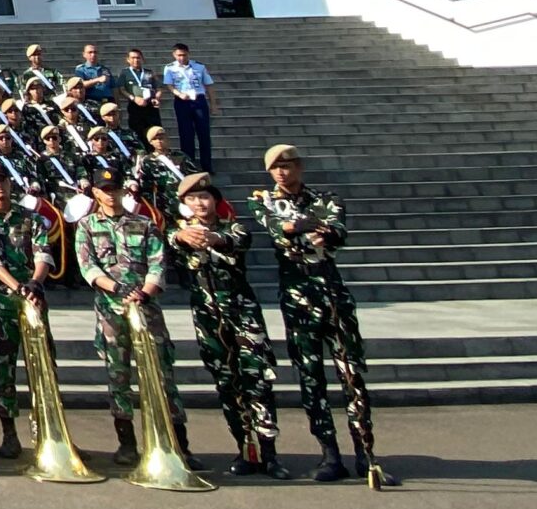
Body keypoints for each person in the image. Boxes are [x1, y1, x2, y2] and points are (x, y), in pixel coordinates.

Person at [254, 144, 394, 485]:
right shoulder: (263, 200)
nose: (283, 172)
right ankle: (329, 454)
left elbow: (338, 232)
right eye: (276, 168)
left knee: (352, 377)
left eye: (288, 165)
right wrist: (314, 227)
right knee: (311, 379)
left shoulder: (326, 197)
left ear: (300, 166)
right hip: (298, 299)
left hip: (333, 297)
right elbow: (278, 229)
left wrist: (312, 227)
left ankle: (366, 454)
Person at [167, 171, 288, 477]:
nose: (200, 203)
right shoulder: (180, 232)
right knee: (227, 383)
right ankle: (245, 448)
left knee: (257, 382)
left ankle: (270, 453)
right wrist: (182, 236)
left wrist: (215, 239)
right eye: (192, 199)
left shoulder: (232, 227)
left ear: (216, 201)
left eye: (205, 197)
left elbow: (237, 240)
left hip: (241, 313)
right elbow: (173, 242)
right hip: (209, 318)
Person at [71, 166, 185, 468]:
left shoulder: (144, 224)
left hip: (146, 307)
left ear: (123, 190)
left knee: (163, 374)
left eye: (114, 188)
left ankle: (177, 443)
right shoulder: (86, 226)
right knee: (118, 376)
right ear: (95, 192)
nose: (110, 194)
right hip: (111, 310)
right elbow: (88, 267)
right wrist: (119, 289)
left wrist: (144, 293)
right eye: (104, 190)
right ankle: (127, 442)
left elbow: (158, 262)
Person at [0, 164, 53, 462]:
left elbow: (43, 253)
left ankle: (50, 433)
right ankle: (10, 433)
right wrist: (18, 287)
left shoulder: (31, 218)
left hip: (33, 300)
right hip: (1, 303)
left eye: (2, 180)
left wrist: (33, 283)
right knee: (3, 370)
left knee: (44, 369)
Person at [162, 43, 216, 170]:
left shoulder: (199, 66)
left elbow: (208, 85)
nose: (182, 58)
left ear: (188, 54)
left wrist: (213, 104)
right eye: (179, 55)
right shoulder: (169, 68)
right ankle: (189, 164)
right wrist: (178, 94)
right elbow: (169, 85)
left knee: (204, 133)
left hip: (198, 100)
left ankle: (207, 164)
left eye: (184, 55)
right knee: (186, 134)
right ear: (174, 55)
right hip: (182, 101)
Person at [119, 46, 162, 142]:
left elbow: (158, 88)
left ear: (142, 59)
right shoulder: (125, 73)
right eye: (133, 58)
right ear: (128, 60)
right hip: (135, 105)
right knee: (137, 133)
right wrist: (134, 98)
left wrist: (157, 98)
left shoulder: (149, 72)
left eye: (138, 57)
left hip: (150, 106)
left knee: (155, 132)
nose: (136, 60)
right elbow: (121, 89)